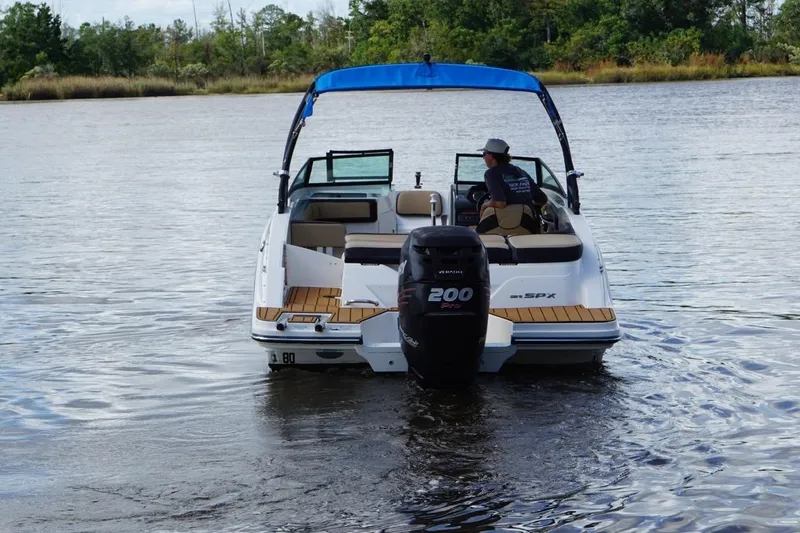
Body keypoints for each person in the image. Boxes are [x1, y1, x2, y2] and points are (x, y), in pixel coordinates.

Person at [475, 138, 548, 236]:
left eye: (484, 154)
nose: (483, 157)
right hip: (526, 227)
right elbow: (542, 199)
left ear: (491, 155)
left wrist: (484, 205)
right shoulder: (521, 172)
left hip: (497, 229)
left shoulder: (491, 174)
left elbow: (500, 203)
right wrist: (524, 201)